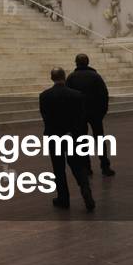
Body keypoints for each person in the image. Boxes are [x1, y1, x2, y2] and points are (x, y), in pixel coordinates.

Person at [39, 67, 95, 211]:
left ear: (52, 78)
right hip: (72, 136)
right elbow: (81, 118)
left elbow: (46, 118)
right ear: (64, 77)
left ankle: (63, 198)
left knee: (58, 168)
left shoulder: (45, 96)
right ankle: (85, 189)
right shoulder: (77, 95)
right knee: (77, 165)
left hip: (54, 136)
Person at [66, 53, 115, 176]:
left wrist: (71, 115)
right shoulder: (95, 76)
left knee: (82, 141)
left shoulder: (71, 77)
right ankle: (105, 166)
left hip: (79, 114)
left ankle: (86, 167)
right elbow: (104, 95)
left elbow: (68, 98)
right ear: (88, 62)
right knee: (99, 139)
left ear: (76, 63)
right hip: (95, 113)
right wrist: (102, 112)